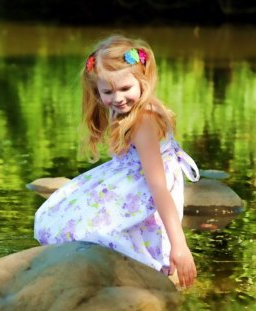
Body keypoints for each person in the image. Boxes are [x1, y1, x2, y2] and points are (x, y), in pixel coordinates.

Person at [33, 34, 199, 288]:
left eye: (125, 89)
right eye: (107, 91)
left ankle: (135, 266)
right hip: (131, 178)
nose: (118, 98)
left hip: (145, 186)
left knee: (85, 229)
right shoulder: (127, 110)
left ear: (143, 81)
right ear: (96, 90)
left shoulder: (143, 121)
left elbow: (157, 187)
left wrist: (180, 246)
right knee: (60, 212)